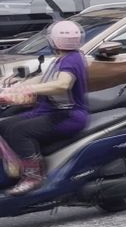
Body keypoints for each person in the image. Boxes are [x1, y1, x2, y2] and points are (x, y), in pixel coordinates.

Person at [0, 21, 89, 195]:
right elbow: (45, 80)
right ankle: (14, 168)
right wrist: (13, 88)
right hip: (51, 111)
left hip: (67, 116)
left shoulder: (71, 60)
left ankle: (33, 176)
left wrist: (28, 89)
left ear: (53, 41)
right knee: (3, 125)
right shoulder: (65, 58)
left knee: (19, 132)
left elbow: (62, 85)